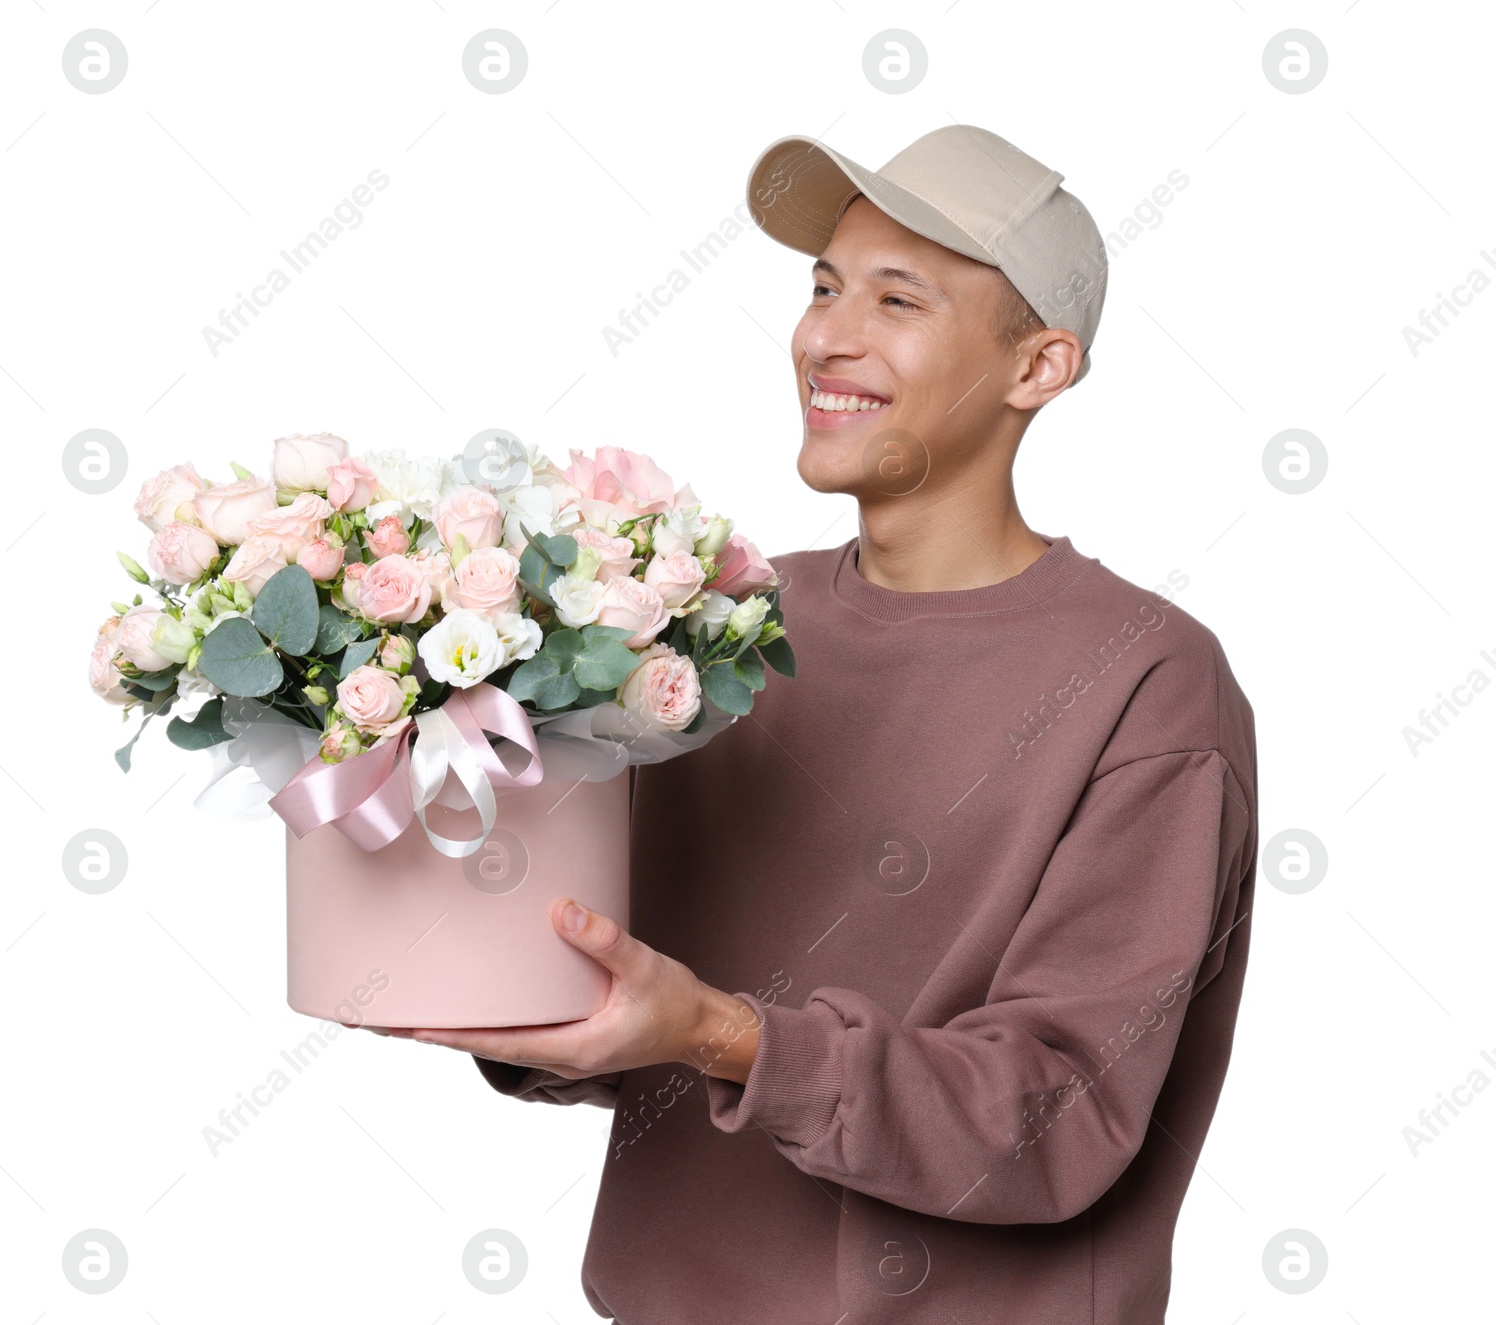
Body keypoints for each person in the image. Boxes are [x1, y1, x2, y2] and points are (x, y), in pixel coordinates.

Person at [373, 125, 1258, 1325]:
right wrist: (503, 982)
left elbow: (1053, 1114)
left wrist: (725, 1035)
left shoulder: (1147, 681)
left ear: (1038, 368)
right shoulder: (720, 622)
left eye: (898, 297)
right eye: (823, 287)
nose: (826, 336)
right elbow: (649, 998)